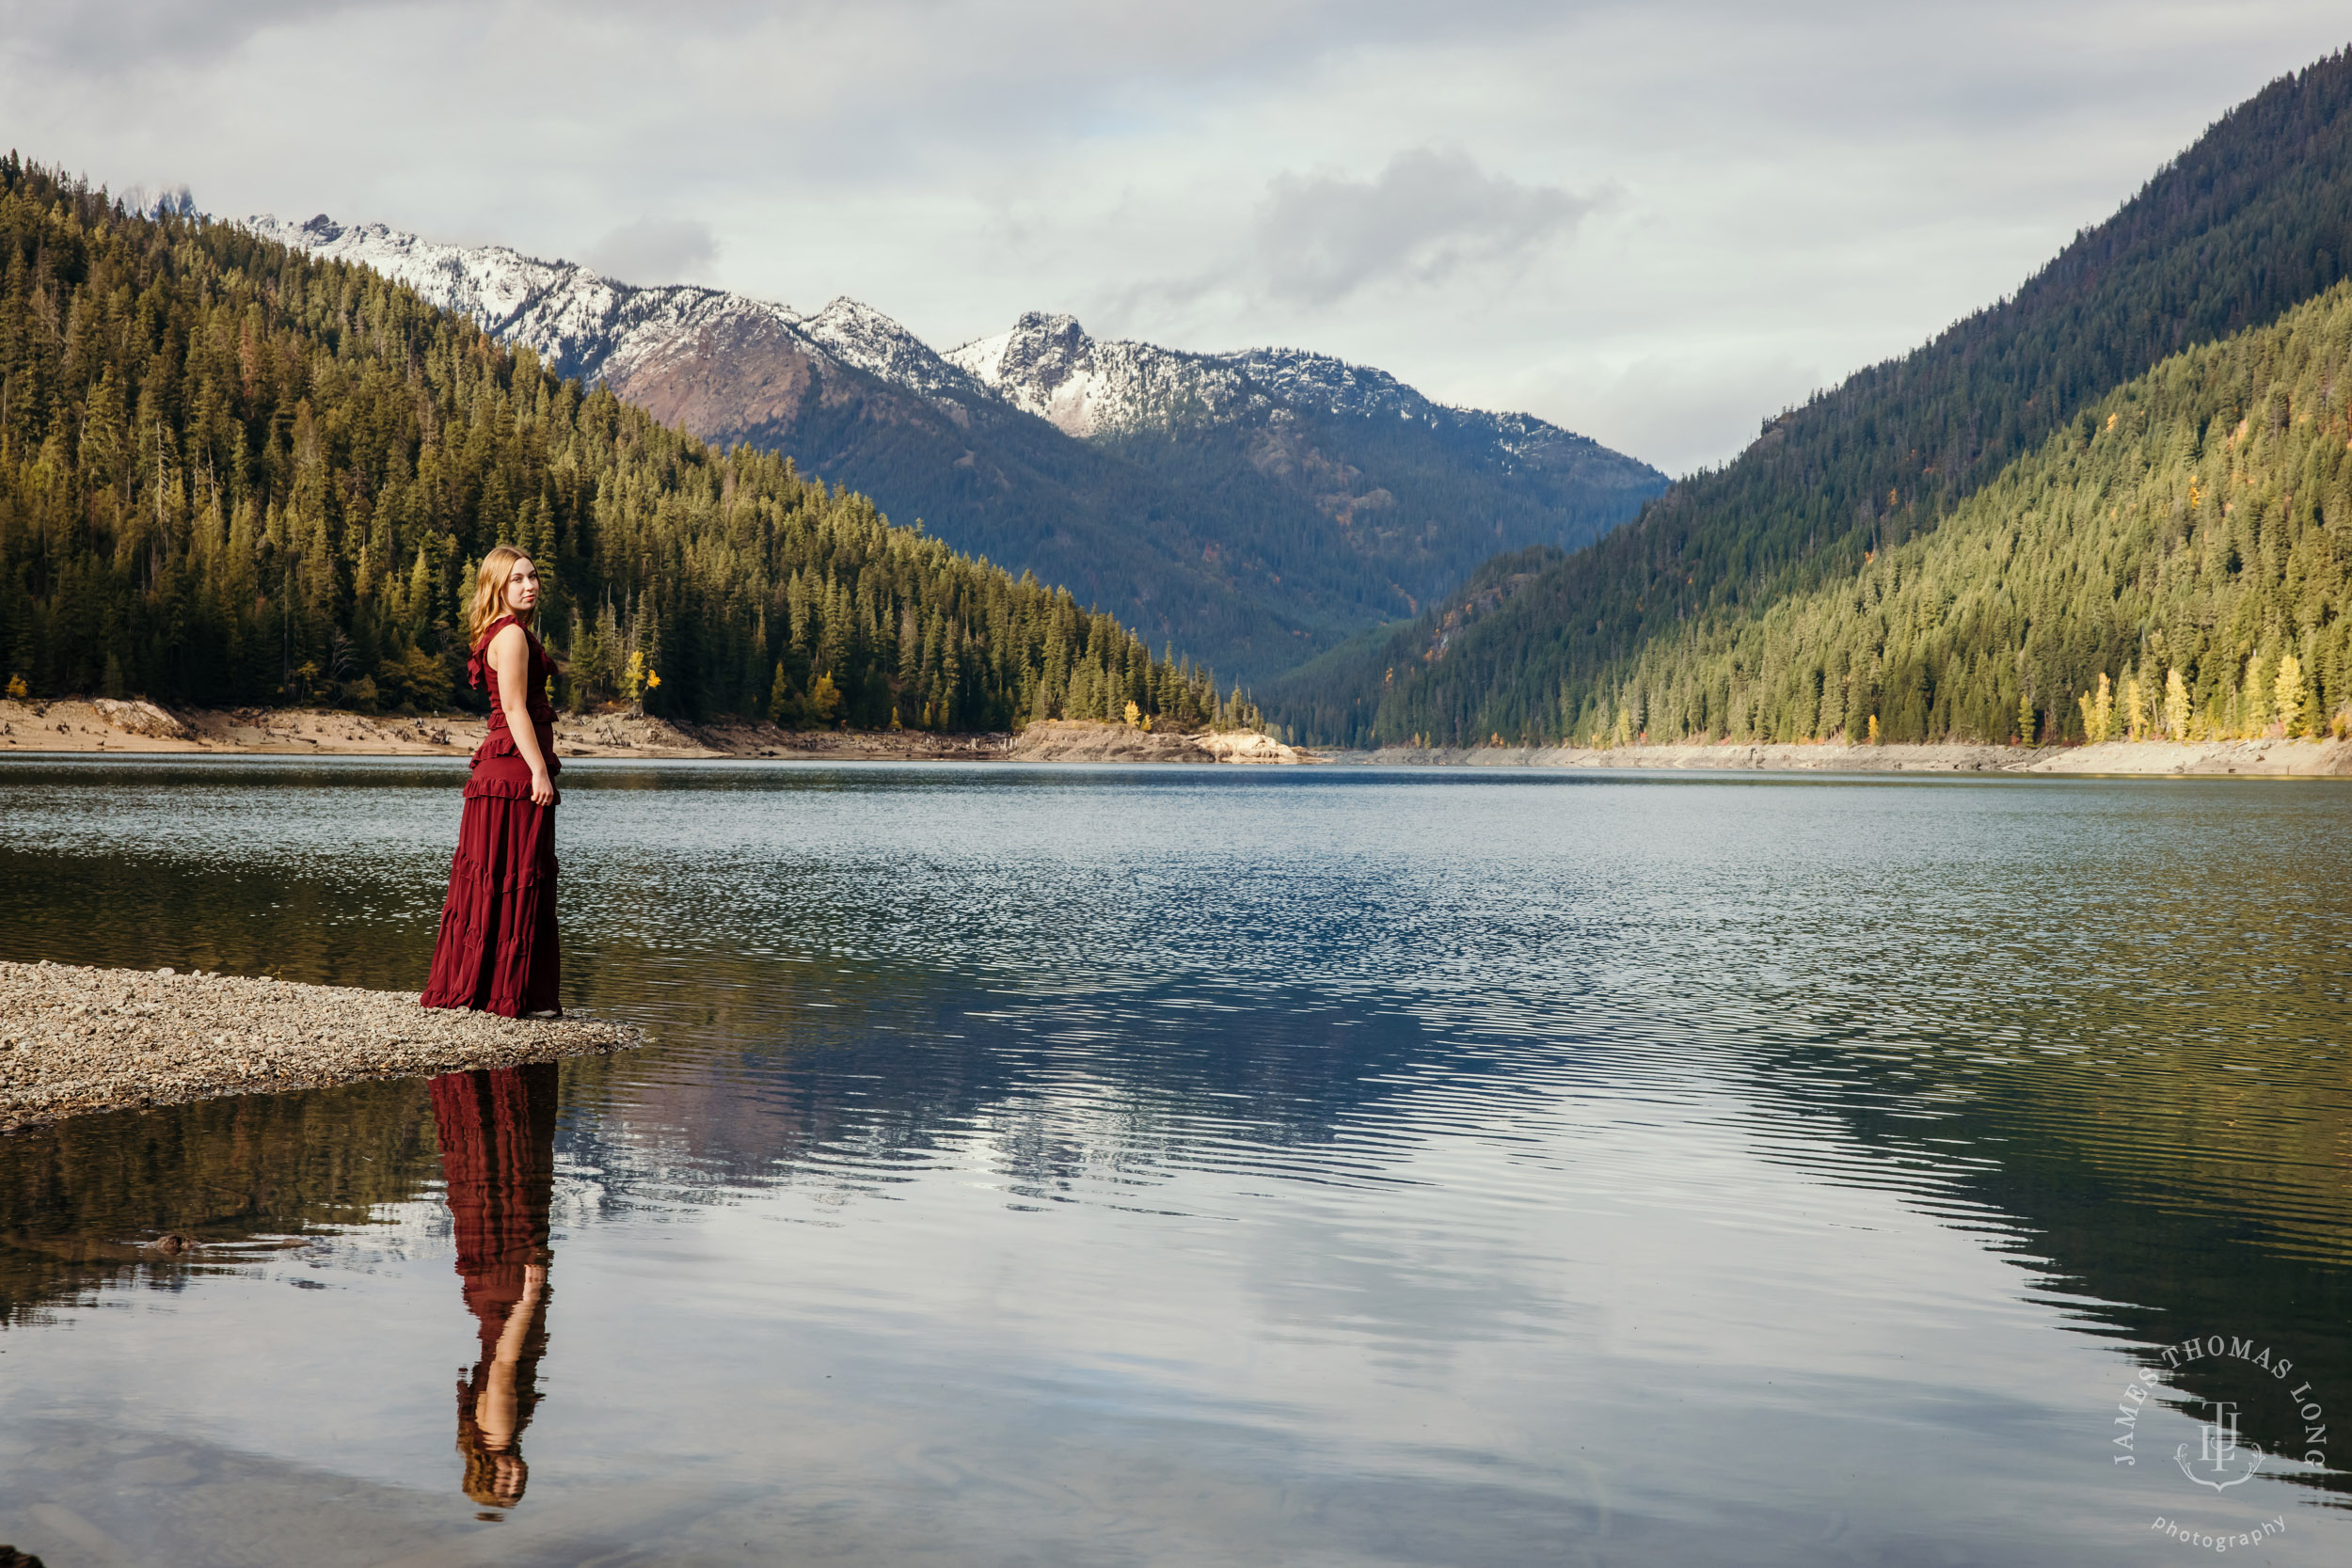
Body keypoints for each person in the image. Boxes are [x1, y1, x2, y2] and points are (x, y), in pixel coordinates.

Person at [421, 546, 563, 1019]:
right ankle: (508, 994)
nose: (530, 585)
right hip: (515, 773)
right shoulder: (514, 638)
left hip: (498, 771)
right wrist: (539, 770)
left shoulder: (496, 634)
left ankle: (481, 988)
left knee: (495, 878)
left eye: (534, 576)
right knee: (519, 876)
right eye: (517, 579)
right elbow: (516, 709)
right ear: (498, 586)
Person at [430, 1063, 561, 1513]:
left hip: (509, 1299)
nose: (518, 1476)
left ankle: (502, 1087)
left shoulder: (499, 1434)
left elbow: (505, 1364)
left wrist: (530, 1298)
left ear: (488, 1471)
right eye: (517, 1486)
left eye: (506, 1483)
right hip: (492, 1296)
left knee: (514, 1184)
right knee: (488, 1188)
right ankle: (474, 1094)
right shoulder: (479, 1432)